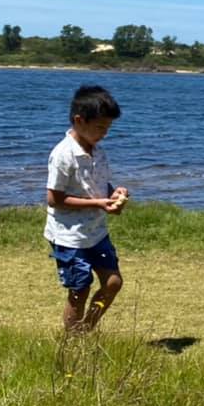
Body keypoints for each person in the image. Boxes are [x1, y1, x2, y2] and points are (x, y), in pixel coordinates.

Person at [44, 85, 130, 333]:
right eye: (100, 127)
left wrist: (114, 194)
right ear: (79, 120)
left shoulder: (98, 151)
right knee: (79, 291)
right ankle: (72, 340)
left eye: (108, 128)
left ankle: (85, 329)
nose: (104, 133)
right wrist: (98, 203)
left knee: (113, 283)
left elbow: (98, 185)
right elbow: (54, 198)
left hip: (96, 232)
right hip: (69, 236)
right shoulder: (63, 155)